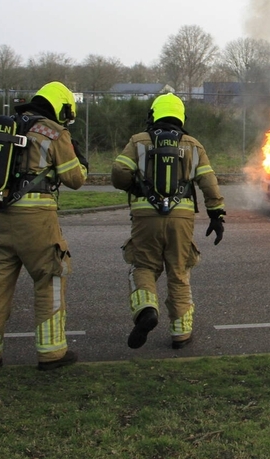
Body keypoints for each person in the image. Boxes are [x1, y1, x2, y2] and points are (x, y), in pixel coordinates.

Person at [0, 81, 88, 373]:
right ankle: (52, 352)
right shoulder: (52, 131)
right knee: (50, 277)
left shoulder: (6, 126)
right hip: (36, 218)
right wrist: (81, 160)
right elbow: (75, 179)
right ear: (61, 107)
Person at [111, 92, 226, 350]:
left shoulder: (139, 141)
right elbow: (209, 182)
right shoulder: (193, 145)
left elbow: (119, 172)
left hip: (145, 216)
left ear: (153, 115)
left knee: (144, 266)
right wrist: (216, 214)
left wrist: (136, 187)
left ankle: (146, 310)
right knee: (179, 271)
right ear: (180, 116)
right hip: (181, 217)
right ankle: (181, 334)